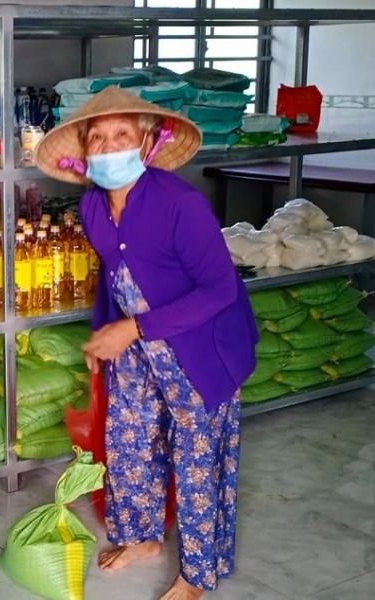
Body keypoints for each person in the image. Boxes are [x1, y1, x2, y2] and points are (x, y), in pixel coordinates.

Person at [35, 86, 258, 599]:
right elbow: (116, 278)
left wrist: (132, 329)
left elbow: (221, 289)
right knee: (130, 440)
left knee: (198, 459)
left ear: (147, 141)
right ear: (86, 152)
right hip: (137, 348)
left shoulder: (181, 204)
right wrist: (104, 337)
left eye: (122, 135)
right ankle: (141, 538)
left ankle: (197, 576)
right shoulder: (92, 205)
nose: (110, 147)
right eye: (98, 138)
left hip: (201, 348)